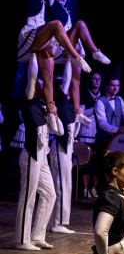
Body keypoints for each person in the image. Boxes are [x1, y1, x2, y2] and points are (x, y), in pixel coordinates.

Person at [6, 0, 91, 132]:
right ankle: (77, 56)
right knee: (55, 25)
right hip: (27, 37)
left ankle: (51, 110)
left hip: (40, 42)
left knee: (49, 71)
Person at [49, 0, 111, 124]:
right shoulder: (51, 3)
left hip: (69, 45)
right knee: (81, 24)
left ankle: (77, 111)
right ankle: (96, 52)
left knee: (76, 77)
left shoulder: (62, 5)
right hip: (58, 45)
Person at [12, 78, 63, 250]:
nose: (43, 88)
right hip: (31, 155)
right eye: (40, 86)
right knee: (28, 197)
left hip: (43, 158)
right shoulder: (28, 103)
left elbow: (59, 131)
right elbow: (32, 78)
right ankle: (22, 240)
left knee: (50, 194)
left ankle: (37, 236)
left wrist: (53, 113)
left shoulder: (43, 109)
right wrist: (35, 56)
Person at [48, 61, 80, 234]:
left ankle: (55, 221)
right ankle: (57, 222)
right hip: (60, 147)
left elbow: (72, 127)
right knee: (61, 184)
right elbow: (69, 79)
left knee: (64, 184)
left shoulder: (67, 103)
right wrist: (69, 59)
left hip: (66, 147)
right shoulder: (59, 97)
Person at [76, 72, 103, 198]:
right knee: (85, 161)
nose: (96, 81)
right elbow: (82, 114)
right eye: (94, 79)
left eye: (99, 79)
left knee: (96, 162)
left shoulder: (102, 96)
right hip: (86, 132)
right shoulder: (85, 94)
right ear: (90, 80)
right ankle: (85, 189)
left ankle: (94, 188)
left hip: (98, 132)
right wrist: (96, 107)